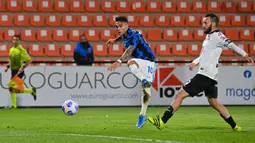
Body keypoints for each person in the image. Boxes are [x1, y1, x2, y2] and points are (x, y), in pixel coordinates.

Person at [148, 13, 254, 131]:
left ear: (213, 24)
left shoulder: (218, 36)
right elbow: (205, 55)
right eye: (203, 23)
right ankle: (235, 126)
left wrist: (245, 55)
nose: (203, 25)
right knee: (214, 102)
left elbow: (231, 45)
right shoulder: (209, 37)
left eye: (205, 23)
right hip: (210, 76)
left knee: (180, 95)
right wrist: (195, 62)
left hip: (205, 75)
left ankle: (162, 121)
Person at [106, 16, 156, 128]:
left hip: (149, 61)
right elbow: (123, 37)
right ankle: (142, 115)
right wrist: (115, 40)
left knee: (131, 62)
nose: (118, 28)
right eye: (116, 26)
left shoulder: (134, 35)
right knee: (133, 65)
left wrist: (119, 61)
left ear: (127, 25)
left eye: (120, 26)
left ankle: (142, 113)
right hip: (139, 61)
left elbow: (130, 50)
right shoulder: (125, 34)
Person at [4, 34, 37, 109]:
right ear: (12, 40)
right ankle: (31, 90)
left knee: (10, 86)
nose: (15, 41)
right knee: (14, 89)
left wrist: (23, 67)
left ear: (19, 41)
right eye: (14, 39)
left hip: (19, 71)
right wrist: (7, 67)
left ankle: (14, 105)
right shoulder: (11, 49)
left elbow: (29, 60)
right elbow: (11, 60)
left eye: (17, 40)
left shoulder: (21, 49)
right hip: (13, 71)